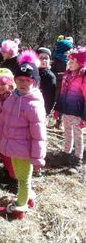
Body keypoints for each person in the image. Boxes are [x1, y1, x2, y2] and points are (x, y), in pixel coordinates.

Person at [0, 50, 47, 219]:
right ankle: (29, 198)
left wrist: (38, 157)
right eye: (20, 80)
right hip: (12, 147)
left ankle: (19, 208)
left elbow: (39, 135)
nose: (23, 83)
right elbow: (2, 122)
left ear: (35, 82)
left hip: (25, 150)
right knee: (21, 176)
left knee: (22, 180)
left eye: (28, 80)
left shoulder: (34, 105)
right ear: (15, 80)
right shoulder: (12, 98)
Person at [54, 46, 86, 174]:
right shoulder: (67, 75)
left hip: (78, 113)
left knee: (78, 136)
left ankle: (77, 159)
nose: (70, 64)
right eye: (69, 61)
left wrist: (85, 116)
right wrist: (58, 109)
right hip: (67, 110)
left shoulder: (83, 76)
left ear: (80, 63)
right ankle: (66, 154)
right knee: (67, 132)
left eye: (73, 62)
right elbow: (62, 93)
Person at [51, 36, 74, 128]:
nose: (69, 51)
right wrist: (62, 75)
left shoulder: (71, 60)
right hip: (57, 86)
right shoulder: (57, 60)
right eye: (68, 49)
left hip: (68, 87)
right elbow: (52, 73)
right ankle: (56, 121)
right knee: (56, 102)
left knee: (64, 104)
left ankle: (62, 122)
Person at [36, 47, 56, 117]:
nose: (43, 60)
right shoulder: (32, 72)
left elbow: (50, 98)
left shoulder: (50, 76)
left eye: (46, 58)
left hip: (41, 109)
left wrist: (46, 112)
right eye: (41, 57)